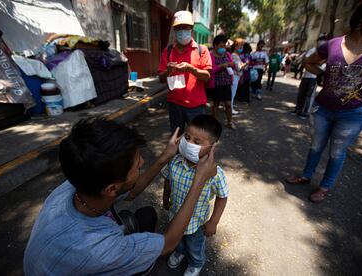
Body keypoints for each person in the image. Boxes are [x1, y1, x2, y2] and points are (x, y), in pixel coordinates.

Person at [24, 117, 218, 275]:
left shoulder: (77, 182)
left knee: (146, 215)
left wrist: (164, 157)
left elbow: (131, 191)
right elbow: (168, 242)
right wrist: (199, 180)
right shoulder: (100, 249)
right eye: (137, 165)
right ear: (111, 189)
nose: (142, 161)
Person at [286, 0, 362, 203]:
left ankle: (324, 186)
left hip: (354, 113)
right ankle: (306, 176)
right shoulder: (333, 44)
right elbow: (308, 62)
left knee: (337, 151)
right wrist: (323, 76)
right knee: (315, 146)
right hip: (323, 108)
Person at [162, 115, 228, 276]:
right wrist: (165, 197)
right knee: (178, 239)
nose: (189, 143)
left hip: (196, 222)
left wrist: (213, 221)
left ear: (213, 147)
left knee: (195, 245)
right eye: (187, 137)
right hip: (175, 213)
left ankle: (196, 263)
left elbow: (222, 196)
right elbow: (168, 180)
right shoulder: (175, 161)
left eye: (197, 142)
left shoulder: (214, 173)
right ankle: (180, 252)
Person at [158, 11, 212, 135]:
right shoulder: (168, 51)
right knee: (176, 138)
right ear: (174, 30)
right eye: (178, 28)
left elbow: (207, 76)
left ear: (191, 29)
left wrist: (190, 69)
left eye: (185, 27)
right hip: (174, 105)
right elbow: (161, 79)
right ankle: (177, 155)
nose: (182, 31)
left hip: (196, 106)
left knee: (196, 139)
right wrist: (167, 71)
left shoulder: (201, 50)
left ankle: (193, 155)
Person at [291, 34, 328, 119]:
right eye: (319, 41)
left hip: (314, 77)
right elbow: (304, 61)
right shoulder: (312, 50)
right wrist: (314, 63)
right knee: (301, 94)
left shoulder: (326, 54)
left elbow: (320, 66)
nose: (320, 44)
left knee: (309, 95)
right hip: (306, 76)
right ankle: (298, 109)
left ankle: (305, 112)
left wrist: (313, 63)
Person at [208, 34, 235, 129]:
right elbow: (209, 70)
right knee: (216, 104)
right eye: (221, 46)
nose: (223, 48)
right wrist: (220, 66)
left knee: (228, 104)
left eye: (224, 46)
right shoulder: (210, 55)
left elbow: (233, 65)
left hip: (226, 82)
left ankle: (230, 122)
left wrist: (230, 64)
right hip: (216, 83)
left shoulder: (227, 54)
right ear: (215, 45)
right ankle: (216, 123)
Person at [230, 38, 248, 114]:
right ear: (235, 46)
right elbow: (239, 68)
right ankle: (230, 108)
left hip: (236, 77)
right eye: (240, 46)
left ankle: (229, 107)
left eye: (242, 46)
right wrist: (246, 63)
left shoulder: (237, 55)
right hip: (234, 77)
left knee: (232, 93)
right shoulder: (234, 55)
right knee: (232, 94)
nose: (241, 48)